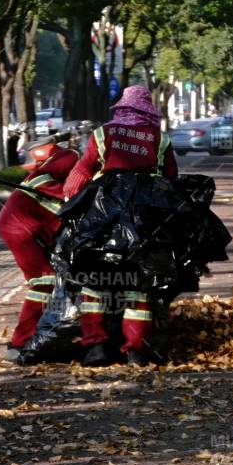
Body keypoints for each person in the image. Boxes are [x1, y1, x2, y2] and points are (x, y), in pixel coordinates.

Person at [62, 85, 179, 367]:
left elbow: (82, 171)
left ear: (123, 108)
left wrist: (68, 201)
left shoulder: (104, 134)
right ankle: (136, 350)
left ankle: (96, 348)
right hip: (144, 220)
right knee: (139, 283)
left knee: (93, 281)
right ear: (147, 110)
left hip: (103, 217)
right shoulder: (158, 138)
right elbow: (171, 178)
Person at [0, 139, 79, 365]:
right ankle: (20, 342)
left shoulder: (65, 160)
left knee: (48, 279)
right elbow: (53, 189)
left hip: (23, 225)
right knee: (44, 280)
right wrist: (70, 198)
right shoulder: (73, 158)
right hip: (20, 227)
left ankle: (27, 337)